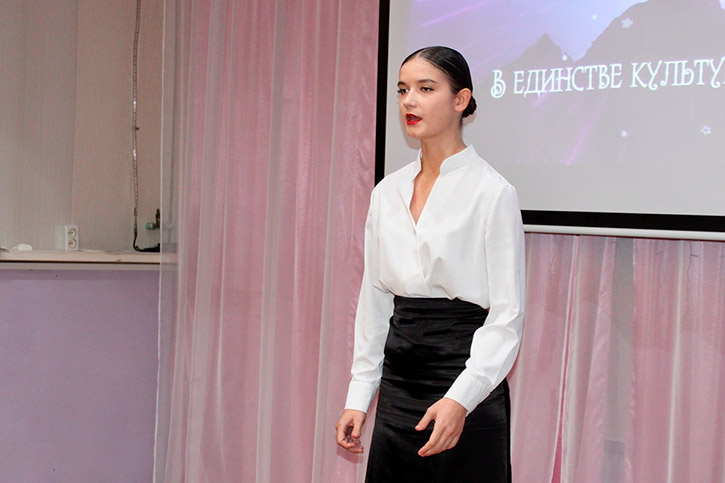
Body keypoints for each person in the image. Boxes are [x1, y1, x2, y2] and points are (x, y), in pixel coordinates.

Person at [335, 46, 525, 482]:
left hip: (466, 384)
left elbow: (507, 315)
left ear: (461, 100)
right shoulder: (387, 192)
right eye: (403, 90)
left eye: (425, 89)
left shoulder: (492, 192)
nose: (409, 101)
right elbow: (375, 301)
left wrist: (461, 400)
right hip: (398, 387)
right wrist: (359, 395)